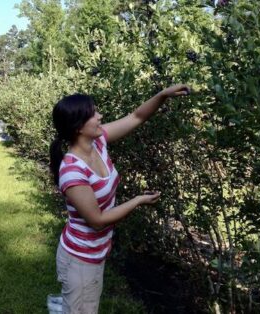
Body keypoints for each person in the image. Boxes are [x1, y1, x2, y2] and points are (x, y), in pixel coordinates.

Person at [49, 84, 191, 314]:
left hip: (95, 251)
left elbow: (136, 117)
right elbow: (97, 220)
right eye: (93, 113)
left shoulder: (98, 142)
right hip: (80, 258)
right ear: (78, 128)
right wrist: (137, 200)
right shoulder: (73, 171)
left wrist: (162, 96)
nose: (100, 116)